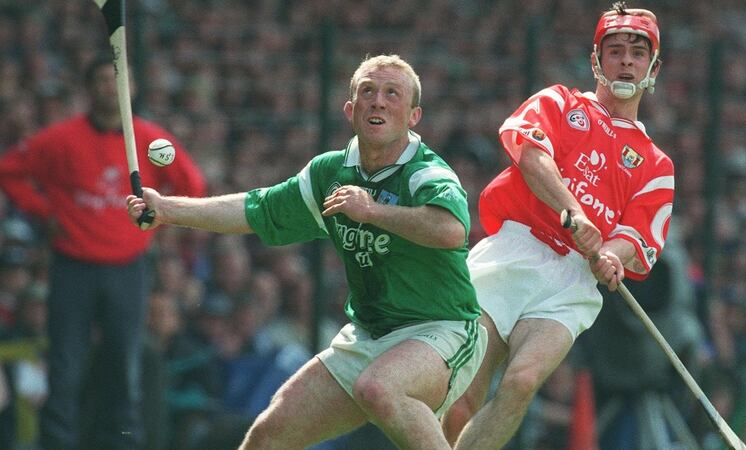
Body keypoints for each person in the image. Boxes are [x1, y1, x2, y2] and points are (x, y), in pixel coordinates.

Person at [126, 54, 487, 450]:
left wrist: (372, 212)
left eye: (391, 94)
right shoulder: (328, 173)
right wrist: (166, 209)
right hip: (369, 334)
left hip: (441, 329)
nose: (378, 101)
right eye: (367, 91)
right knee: (267, 436)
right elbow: (256, 209)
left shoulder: (427, 172)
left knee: (379, 387)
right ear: (351, 109)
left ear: (413, 115)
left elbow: (451, 230)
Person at [442, 3, 675, 449]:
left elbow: (638, 236)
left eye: (638, 52)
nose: (626, 60)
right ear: (596, 61)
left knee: (522, 382)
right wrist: (576, 211)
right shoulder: (558, 101)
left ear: (654, 67)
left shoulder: (657, 165)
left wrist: (611, 256)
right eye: (615, 50)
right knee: (462, 394)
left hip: (572, 281)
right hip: (514, 251)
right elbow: (531, 154)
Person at [0, 54, 206, 450]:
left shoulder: (151, 142)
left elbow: (193, 186)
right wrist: (45, 213)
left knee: (125, 371)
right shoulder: (60, 140)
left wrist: (162, 216)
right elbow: (10, 170)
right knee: (64, 370)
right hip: (72, 267)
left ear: (133, 89)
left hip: (128, 271)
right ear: (87, 87)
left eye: (118, 81)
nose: (109, 89)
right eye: (100, 80)